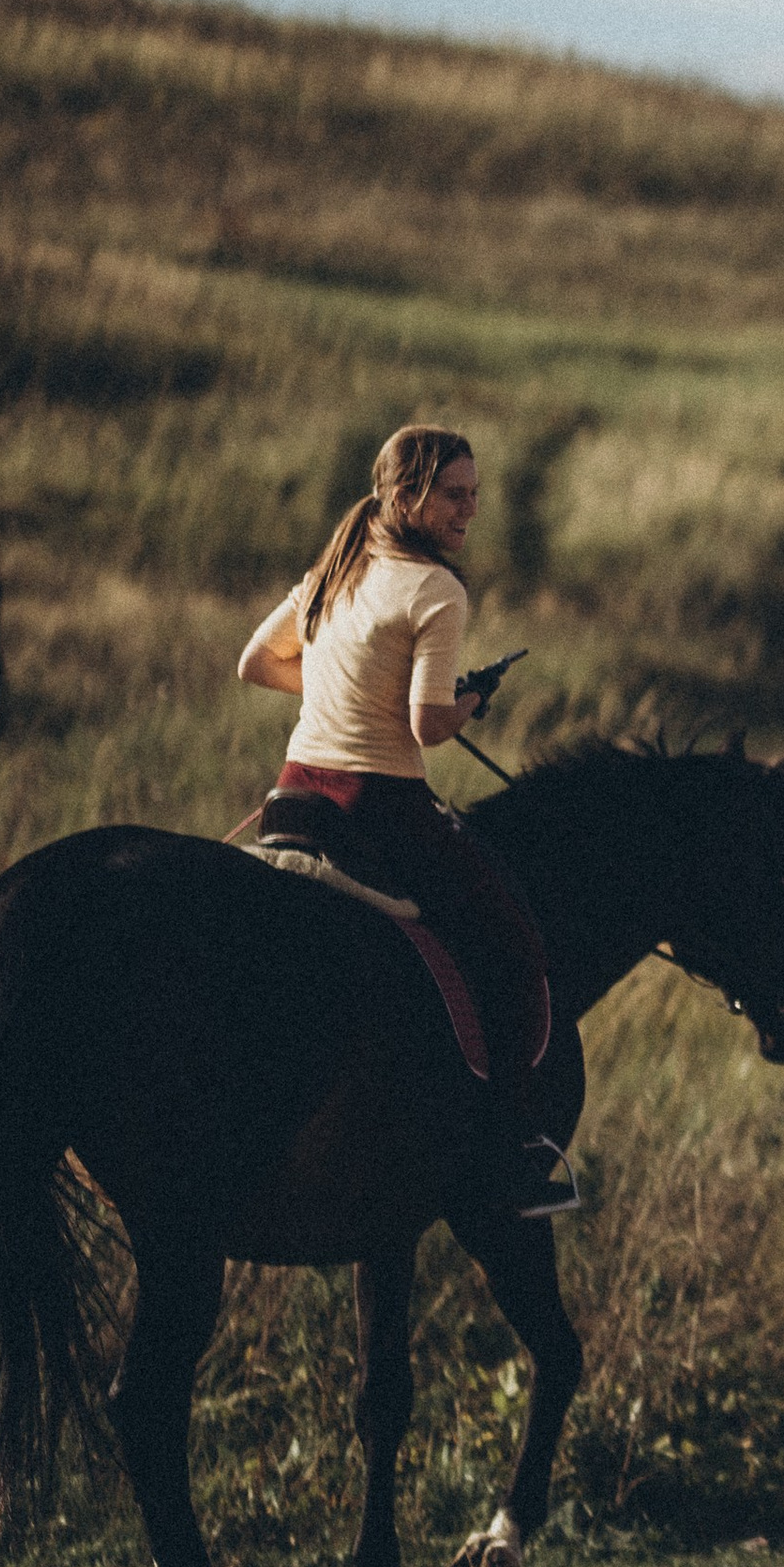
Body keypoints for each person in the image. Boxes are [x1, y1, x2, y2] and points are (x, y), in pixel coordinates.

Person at [235, 423, 572, 1218]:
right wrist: (468, 703)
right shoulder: (438, 591)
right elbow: (426, 728)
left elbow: (256, 662)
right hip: (377, 809)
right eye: (455, 495)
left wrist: (341, 696)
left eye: (475, 496)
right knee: (516, 947)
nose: (470, 511)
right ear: (404, 495)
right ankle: (511, 1152)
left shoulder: (334, 568)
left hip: (295, 795)